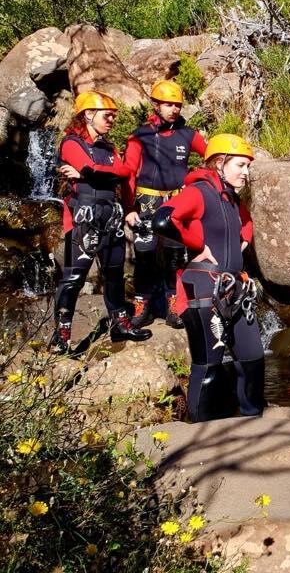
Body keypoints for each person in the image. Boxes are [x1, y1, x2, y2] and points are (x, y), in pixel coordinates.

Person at [152, 134, 265, 422]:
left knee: (252, 359)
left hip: (235, 288)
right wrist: (197, 245)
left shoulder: (230, 198)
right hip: (203, 287)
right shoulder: (199, 192)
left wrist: (244, 240)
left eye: (248, 166)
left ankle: (252, 423)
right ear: (219, 162)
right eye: (240, 165)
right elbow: (162, 220)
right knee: (208, 365)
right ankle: (196, 433)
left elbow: (248, 221)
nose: (245, 172)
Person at [51, 92, 152, 353]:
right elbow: (95, 170)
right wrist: (97, 173)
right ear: (88, 114)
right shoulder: (71, 143)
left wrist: (94, 174)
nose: (111, 121)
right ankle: (61, 336)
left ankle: (120, 324)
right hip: (83, 218)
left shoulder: (108, 148)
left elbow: (125, 173)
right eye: (107, 116)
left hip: (111, 216)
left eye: (114, 117)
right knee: (74, 278)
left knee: (115, 273)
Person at [123, 80, 206, 330]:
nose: (174, 109)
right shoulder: (140, 135)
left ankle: (174, 307)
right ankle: (142, 308)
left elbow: (212, 155)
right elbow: (129, 173)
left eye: (178, 105)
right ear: (156, 104)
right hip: (147, 201)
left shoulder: (188, 134)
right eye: (168, 104)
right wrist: (128, 209)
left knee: (174, 258)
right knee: (145, 257)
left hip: (176, 202)